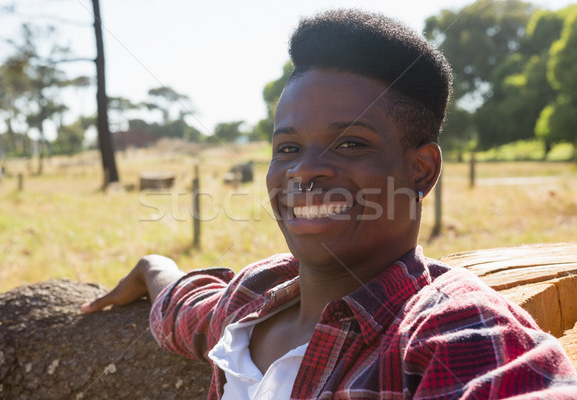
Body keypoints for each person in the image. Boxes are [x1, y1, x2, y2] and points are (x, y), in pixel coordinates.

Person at [81, 9, 577, 399]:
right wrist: (154, 269)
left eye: (351, 143)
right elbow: (185, 309)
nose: (303, 170)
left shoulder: (453, 332)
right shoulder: (256, 300)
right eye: (288, 148)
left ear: (421, 170)